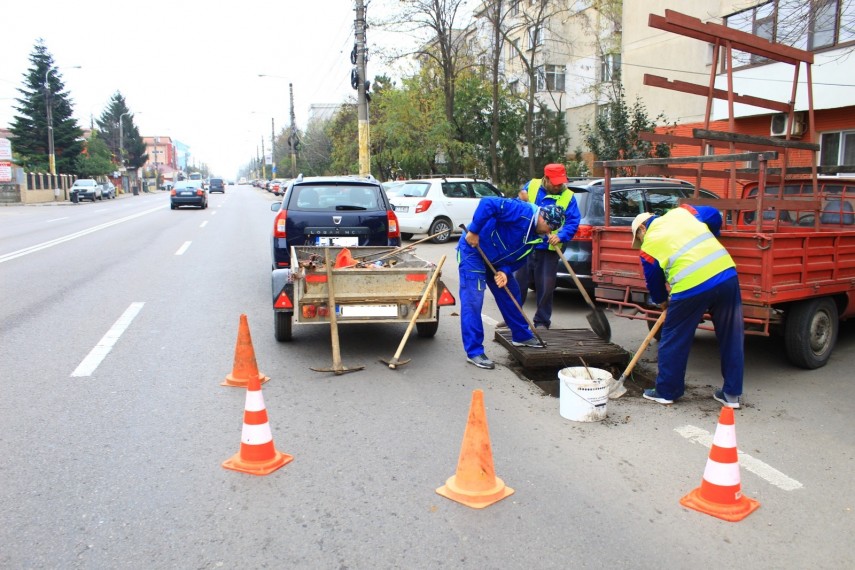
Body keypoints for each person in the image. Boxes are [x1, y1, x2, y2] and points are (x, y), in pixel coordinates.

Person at [630, 204, 744, 408]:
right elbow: (714, 214)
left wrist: (663, 302)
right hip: (727, 275)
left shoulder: (649, 245)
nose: (640, 243)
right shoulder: (683, 212)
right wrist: (713, 234)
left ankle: (666, 391)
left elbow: (654, 282)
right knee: (732, 336)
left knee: (674, 337)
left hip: (692, 286)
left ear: (642, 230)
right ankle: (732, 395)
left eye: (638, 239)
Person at [458, 198, 566, 369]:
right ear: (543, 219)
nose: (549, 232)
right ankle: (474, 351)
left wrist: (505, 272)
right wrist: (474, 230)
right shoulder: (521, 211)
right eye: (550, 227)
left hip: (498, 261)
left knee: (511, 291)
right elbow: (488, 203)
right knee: (473, 299)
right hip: (474, 251)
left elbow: (520, 258)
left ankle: (521, 336)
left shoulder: (536, 237)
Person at [513, 164, 581, 329]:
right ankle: (513, 318)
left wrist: (561, 236)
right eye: (555, 183)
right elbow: (518, 206)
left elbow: (573, 221)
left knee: (546, 287)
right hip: (526, 244)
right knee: (518, 283)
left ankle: (542, 321)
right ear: (546, 179)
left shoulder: (568, 196)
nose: (558, 186)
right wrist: (520, 200)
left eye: (561, 182)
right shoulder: (533, 186)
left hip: (549, 249)